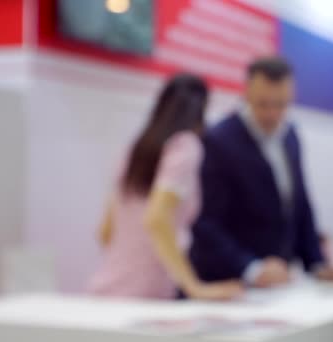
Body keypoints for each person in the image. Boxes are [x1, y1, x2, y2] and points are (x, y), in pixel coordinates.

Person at [190, 57, 333, 287]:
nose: (272, 114)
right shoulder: (219, 140)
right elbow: (204, 222)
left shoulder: (290, 136)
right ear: (247, 93)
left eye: (281, 105)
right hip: (228, 283)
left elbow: (300, 206)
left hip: (277, 285)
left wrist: (317, 264)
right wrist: (251, 267)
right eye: (263, 104)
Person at [88, 74, 243, 300]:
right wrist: (195, 287)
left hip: (107, 287)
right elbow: (157, 218)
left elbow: (105, 231)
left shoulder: (135, 150)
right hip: (146, 295)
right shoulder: (185, 147)